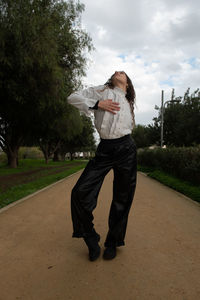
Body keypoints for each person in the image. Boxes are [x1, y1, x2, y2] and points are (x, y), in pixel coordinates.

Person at [67, 71, 137, 261]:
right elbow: (72, 98)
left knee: (123, 198)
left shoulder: (128, 101)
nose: (117, 71)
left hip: (127, 149)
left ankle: (113, 242)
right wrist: (98, 104)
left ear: (128, 83)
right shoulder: (102, 90)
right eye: (115, 71)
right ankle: (90, 237)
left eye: (122, 72)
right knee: (80, 192)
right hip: (105, 149)